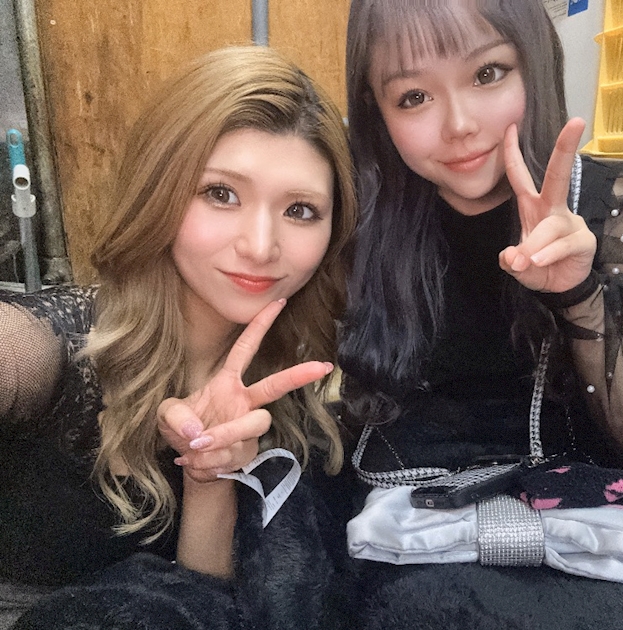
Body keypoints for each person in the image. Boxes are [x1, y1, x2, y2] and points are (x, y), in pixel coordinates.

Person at [336, 1, 623, 628]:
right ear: (376, 111)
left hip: (593, 523)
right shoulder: (360, 217)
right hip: (411, 521)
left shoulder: (615, 206)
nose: (459, 125)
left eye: (487, 74)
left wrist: (576, 292)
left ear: (534, 64)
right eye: (413, 97)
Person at [0, 45, 356, 629]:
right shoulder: (48, 347)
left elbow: (197, 600)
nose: (260, 246)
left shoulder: (292, 380)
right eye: (221, 193)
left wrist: (208, 475)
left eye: (299, 210)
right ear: (159, 190)